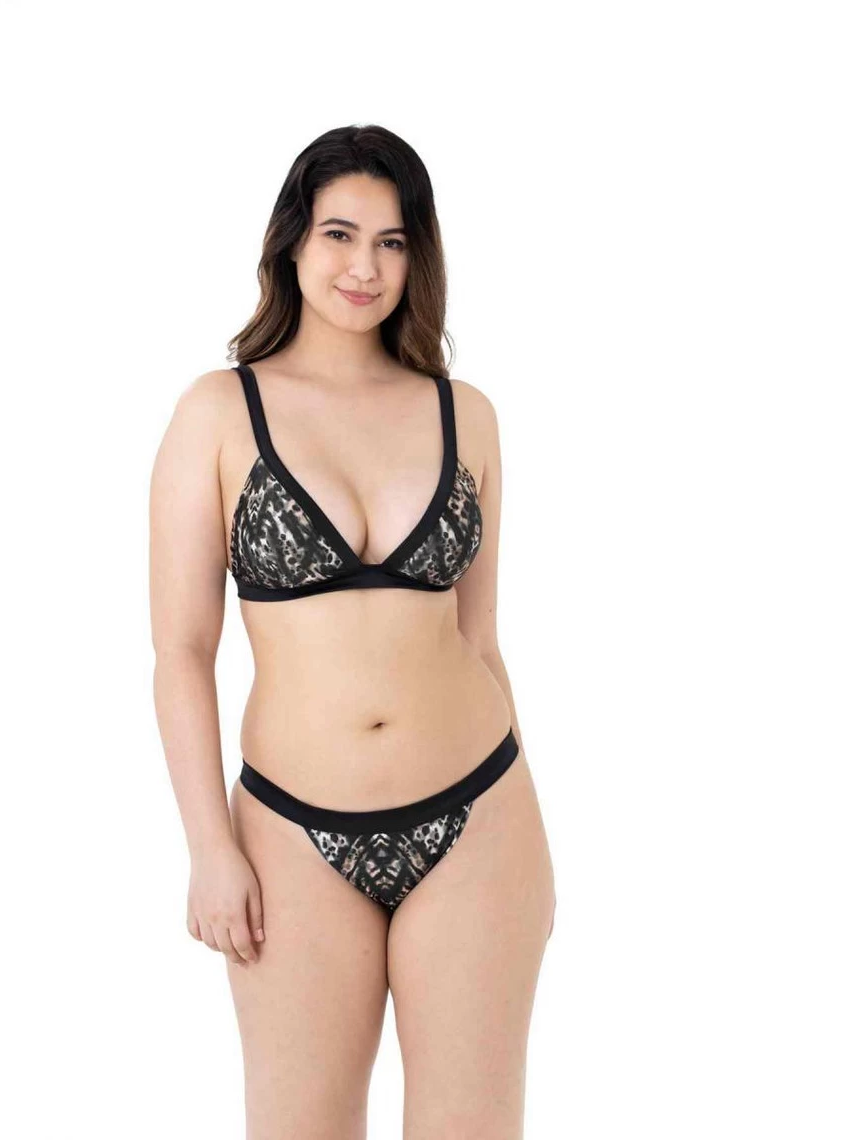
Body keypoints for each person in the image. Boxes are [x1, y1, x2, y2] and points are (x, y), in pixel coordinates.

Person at [149, 123, 556, 1140]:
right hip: (290, 833)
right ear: (293, 240)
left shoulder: (466, 414)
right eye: (340, 234)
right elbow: (181, 653)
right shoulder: (218, 412)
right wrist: (208, 847)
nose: (364, 267)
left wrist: (529, 828)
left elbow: (481, 640)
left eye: (392, 241)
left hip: (479, 817)